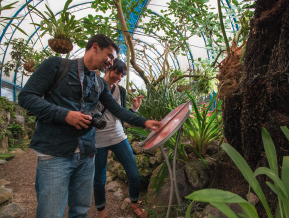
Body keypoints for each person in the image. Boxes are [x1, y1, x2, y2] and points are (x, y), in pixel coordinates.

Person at [18, 34, 161, 218]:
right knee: (51, 213)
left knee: (80, 211)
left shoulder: (99, 83)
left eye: (113, 59)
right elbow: (26, 97)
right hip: (55, 154)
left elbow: (117, 110)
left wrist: (143, 121)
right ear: (95, 47)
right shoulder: (56, 65)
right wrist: (65, 115)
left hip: (86, 155)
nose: (110, 62)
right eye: (109, 56)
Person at [93, 59, 148, 218]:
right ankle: (101, 212)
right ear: (108, 69)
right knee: (99, 179)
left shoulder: (121, 91)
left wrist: (133, 109)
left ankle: (134, 204)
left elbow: (120, 112)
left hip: (119, 136)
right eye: (117, 72)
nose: (119, 77)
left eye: (122, 74)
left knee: (134, 175)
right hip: (98, 140)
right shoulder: (95, 86)